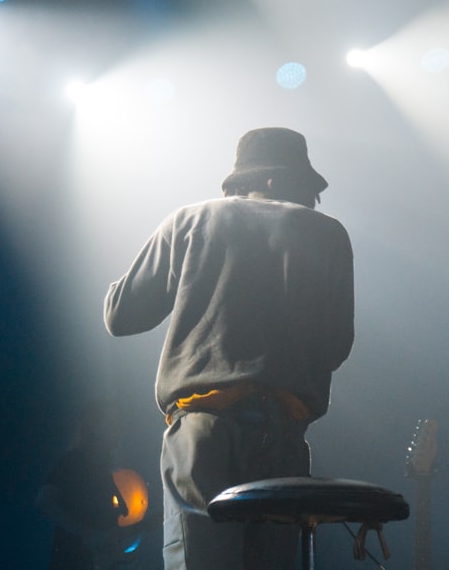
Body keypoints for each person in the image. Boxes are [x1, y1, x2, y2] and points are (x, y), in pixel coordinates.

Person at [104, 126, 355, 570]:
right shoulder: (330, 235)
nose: (312, 200)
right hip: (284, 434)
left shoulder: (190, 221)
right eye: (307, 186)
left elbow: (120, 317)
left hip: (205, 431)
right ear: (275, 179)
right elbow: (337, 346)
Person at [36, 399, 132, 570]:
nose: (117, 429)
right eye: (111, 422)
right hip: (71, 560)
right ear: (96, 426)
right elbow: (44, 501)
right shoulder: (75, 460)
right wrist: (88, 534)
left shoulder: (104, 473)